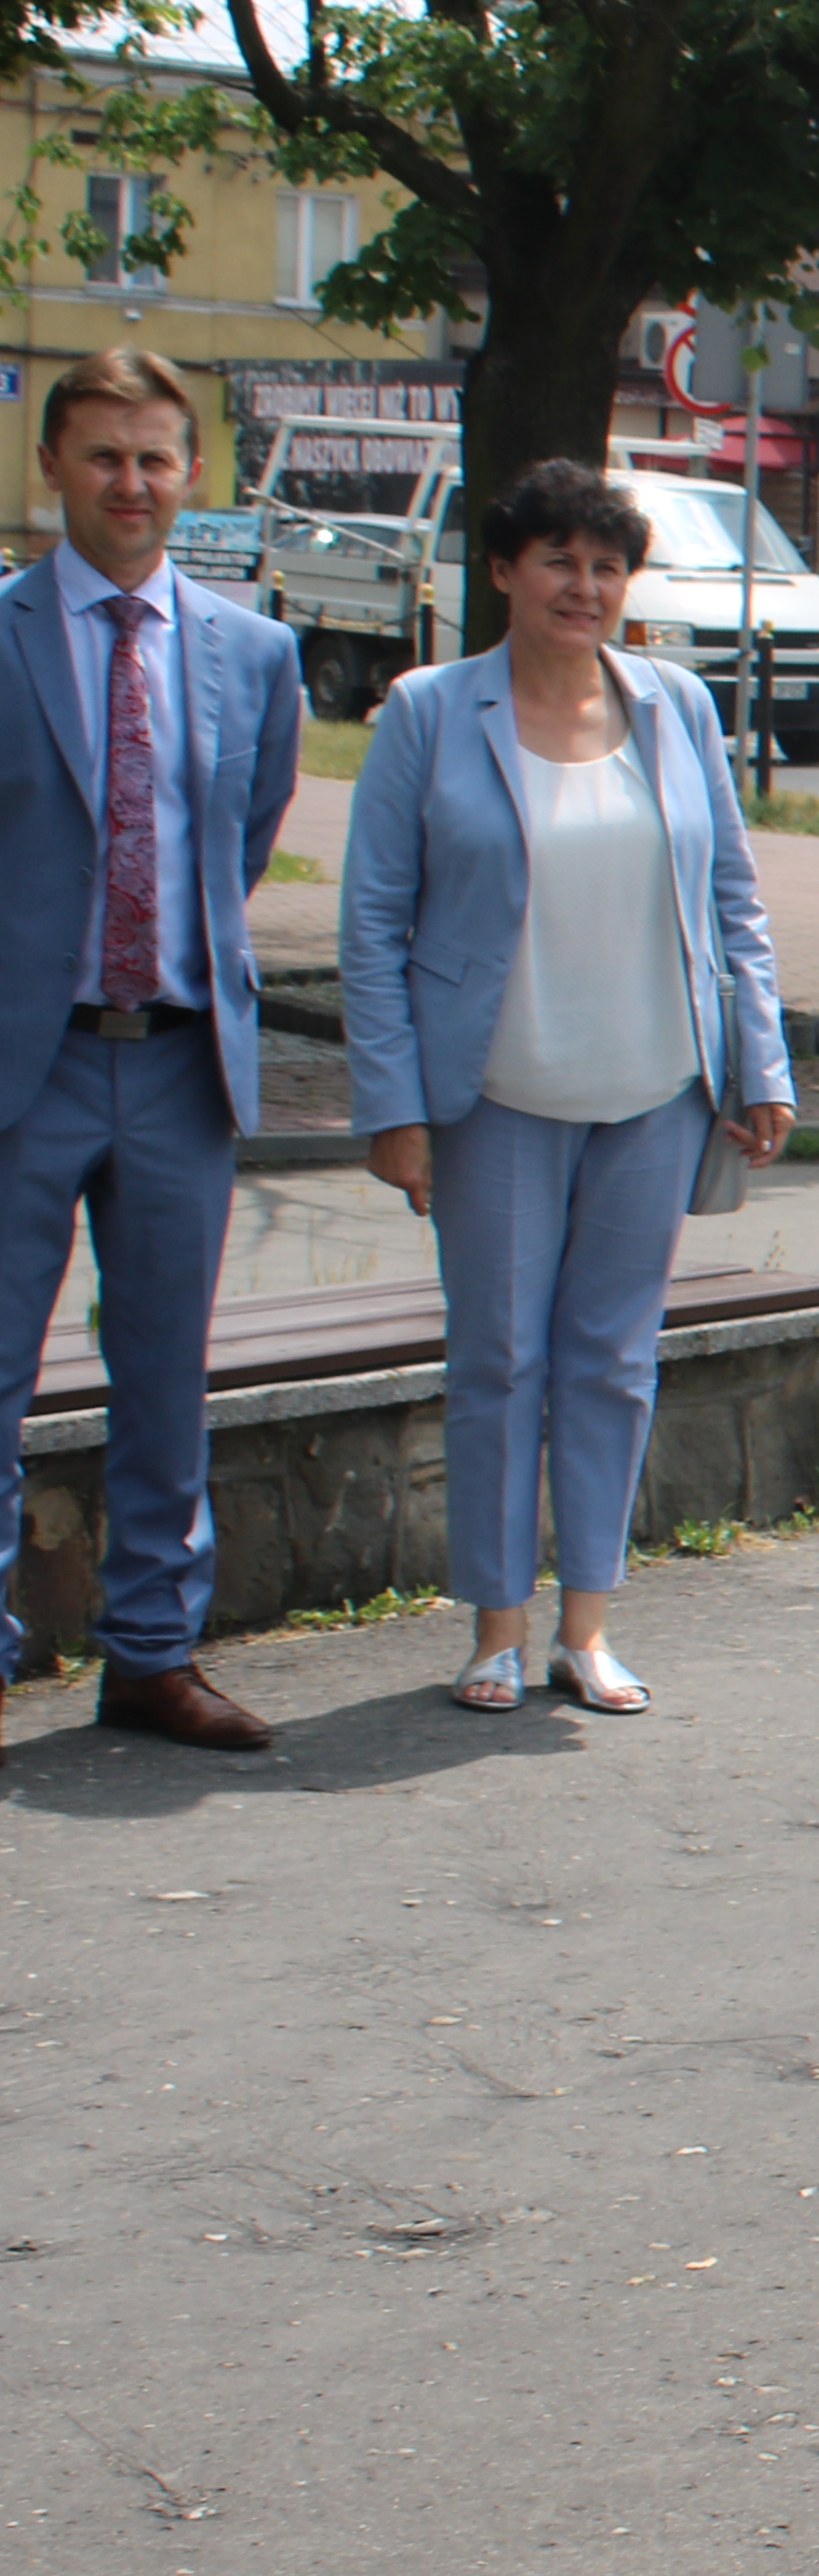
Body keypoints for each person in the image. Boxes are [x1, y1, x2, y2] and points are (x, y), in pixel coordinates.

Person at [342, 460, 798, 1716]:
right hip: (494, 1093)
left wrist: (759, 1062)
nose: (583, 588)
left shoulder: (676, 707)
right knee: (498, 1359)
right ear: (502, 570)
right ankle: (494, 1628)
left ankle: (585, 1626)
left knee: (609, 1360)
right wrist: (393, 1107)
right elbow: (373, 923)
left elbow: (733, 904)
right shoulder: (430, 713)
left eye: (606, 567)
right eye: (558, 561)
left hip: (652, 1088)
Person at [1, 350, 307, 1757]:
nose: (131, 483)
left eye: (157, 457)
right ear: (53, 468)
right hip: (25, 1061)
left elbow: (235, 842)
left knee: (167, 1376)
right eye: (103, 456)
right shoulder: (2, 635)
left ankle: (152, 1655)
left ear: (194, 473)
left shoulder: (254, 655)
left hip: (179, 1062)